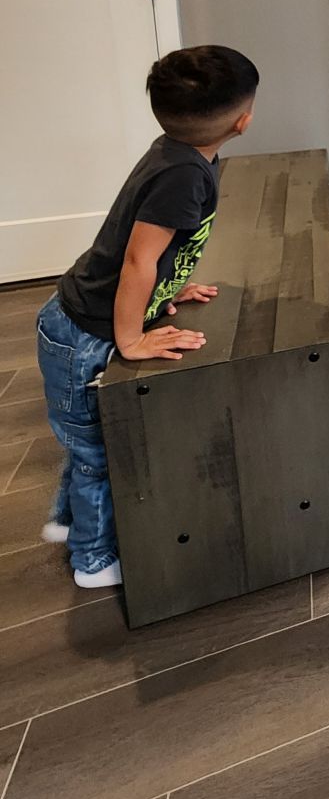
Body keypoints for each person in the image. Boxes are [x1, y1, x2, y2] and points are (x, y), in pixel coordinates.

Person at [35, 45, 259, 588]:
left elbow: (154, 256)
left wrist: (170, 290)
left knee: (87, 442)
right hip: (81, 333)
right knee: (97, 454)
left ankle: (67, 523)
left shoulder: (180, 154)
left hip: (85, 321)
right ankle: (92, 561)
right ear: (243, 119)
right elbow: (137, 258)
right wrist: (132, 338)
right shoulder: (182, 175)